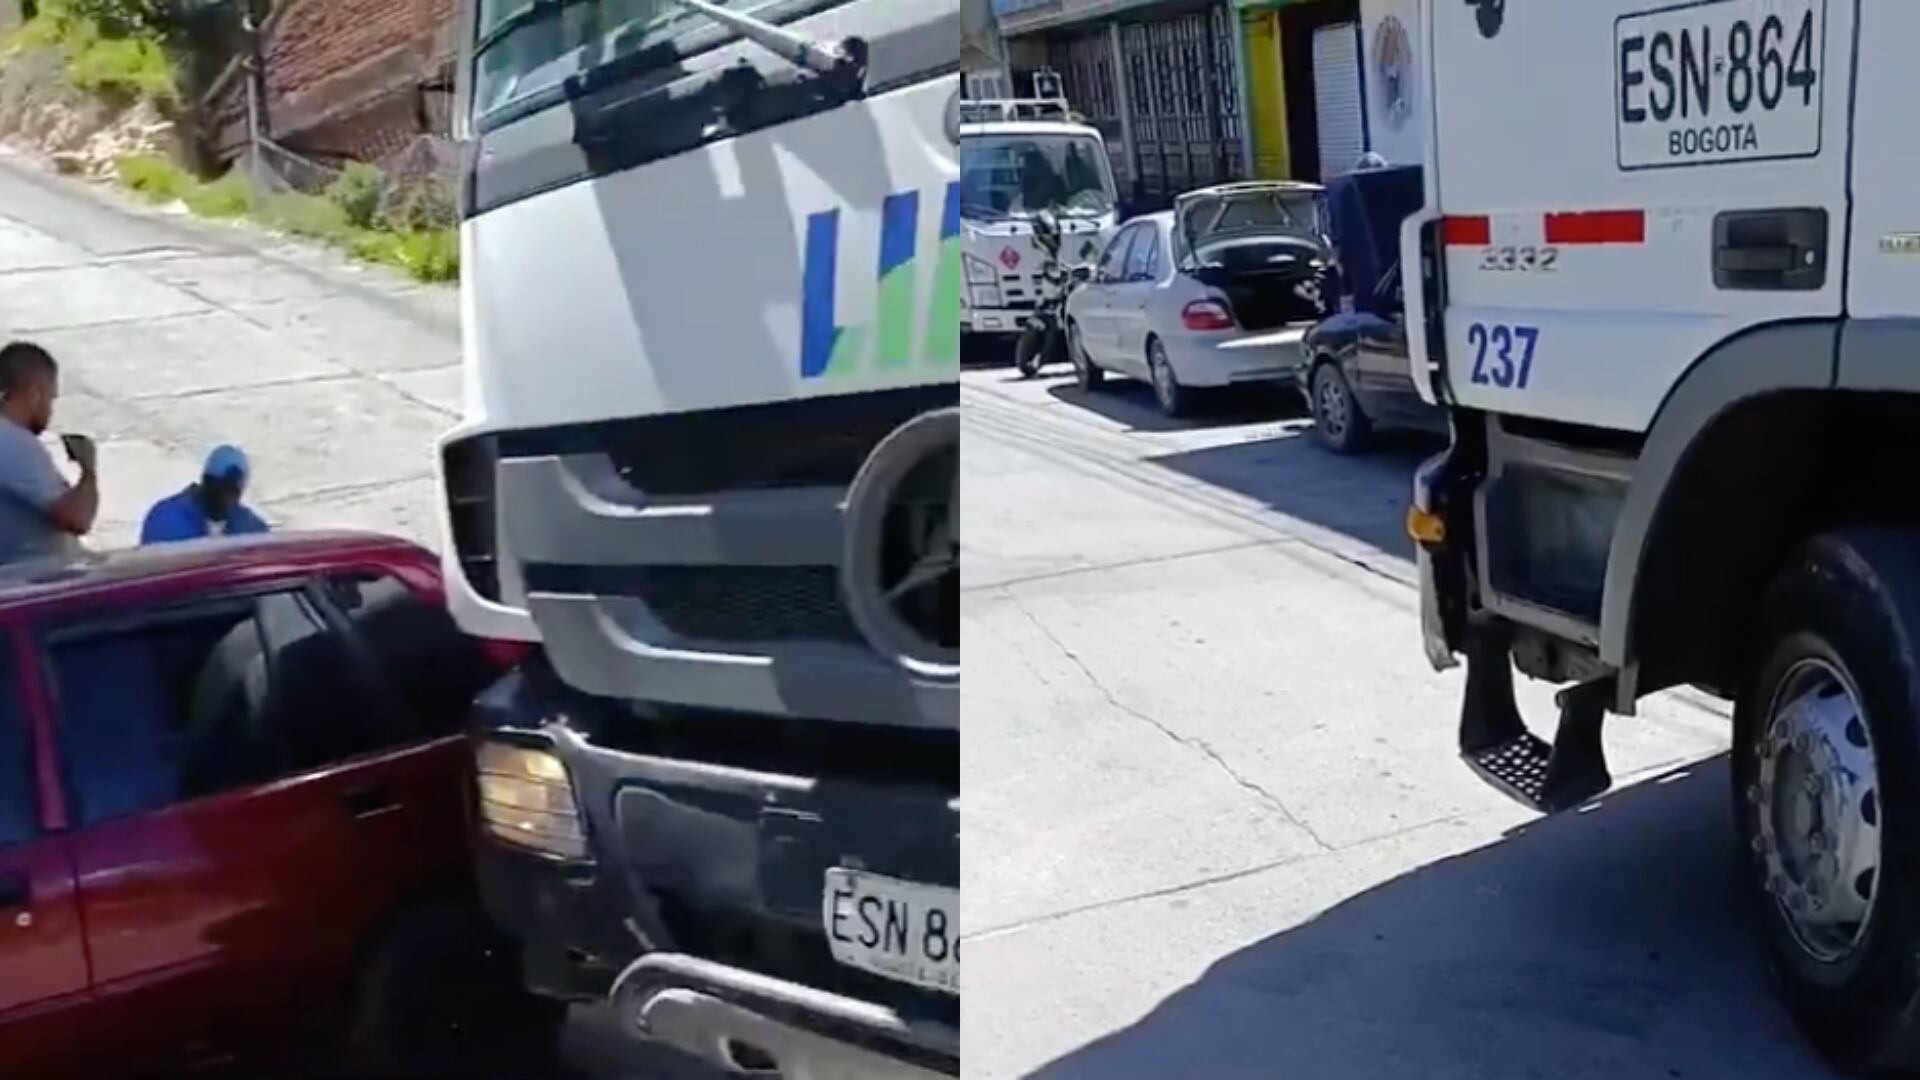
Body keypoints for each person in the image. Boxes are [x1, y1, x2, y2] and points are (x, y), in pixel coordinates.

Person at [0, 341, 97, 564]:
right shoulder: (15, 444)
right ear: (35, 395)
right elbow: (78, 520)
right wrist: (88, 469)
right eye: (51, 399)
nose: (51, 410)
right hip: (35, 578)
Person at [141, 444, 269, 544]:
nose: (224, 498)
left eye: (231, 490)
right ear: (203, 480)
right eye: (215, 485)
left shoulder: (252, 530)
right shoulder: (165, 518)